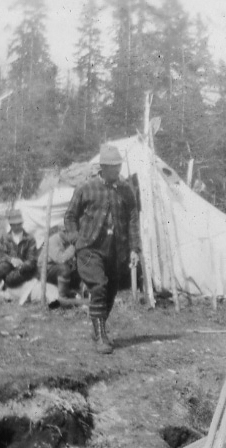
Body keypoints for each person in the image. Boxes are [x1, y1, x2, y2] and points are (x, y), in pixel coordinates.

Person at [64, 144, 141, 355]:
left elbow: (133, 218)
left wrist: (135, 248)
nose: (117, 171)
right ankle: (100, 336)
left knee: (111, 290)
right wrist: (75, 239)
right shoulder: (86, 188)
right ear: (103, 167)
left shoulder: (126, 190)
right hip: (89, 248)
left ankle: (98, 328)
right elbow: (70, 216)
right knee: (98, 286)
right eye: (113, 167)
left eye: (119, 166)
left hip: (115, 249)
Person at [0, 210, 38, 292]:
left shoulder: (30, 239)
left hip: (24, 270)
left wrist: (22, 265)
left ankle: (7, 285)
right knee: (3, 267)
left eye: (18, 224)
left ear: (22, 224)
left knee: (11, 279)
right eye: (13, 225)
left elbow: (32, 260)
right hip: (8, 267)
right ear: (10, 225)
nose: (16, 227)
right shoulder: (5, 237)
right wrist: (11, 260)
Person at [38, 226, 79, 298]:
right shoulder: (53, 240)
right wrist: (72, 248)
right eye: (65, 232)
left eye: (70, 232)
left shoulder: (69, 241)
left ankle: (74, 292)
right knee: (64, 269)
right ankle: (62, 297)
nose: (67, 234)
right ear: (60, 232)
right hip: (45, 269)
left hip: (57, 268)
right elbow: (60, 259)